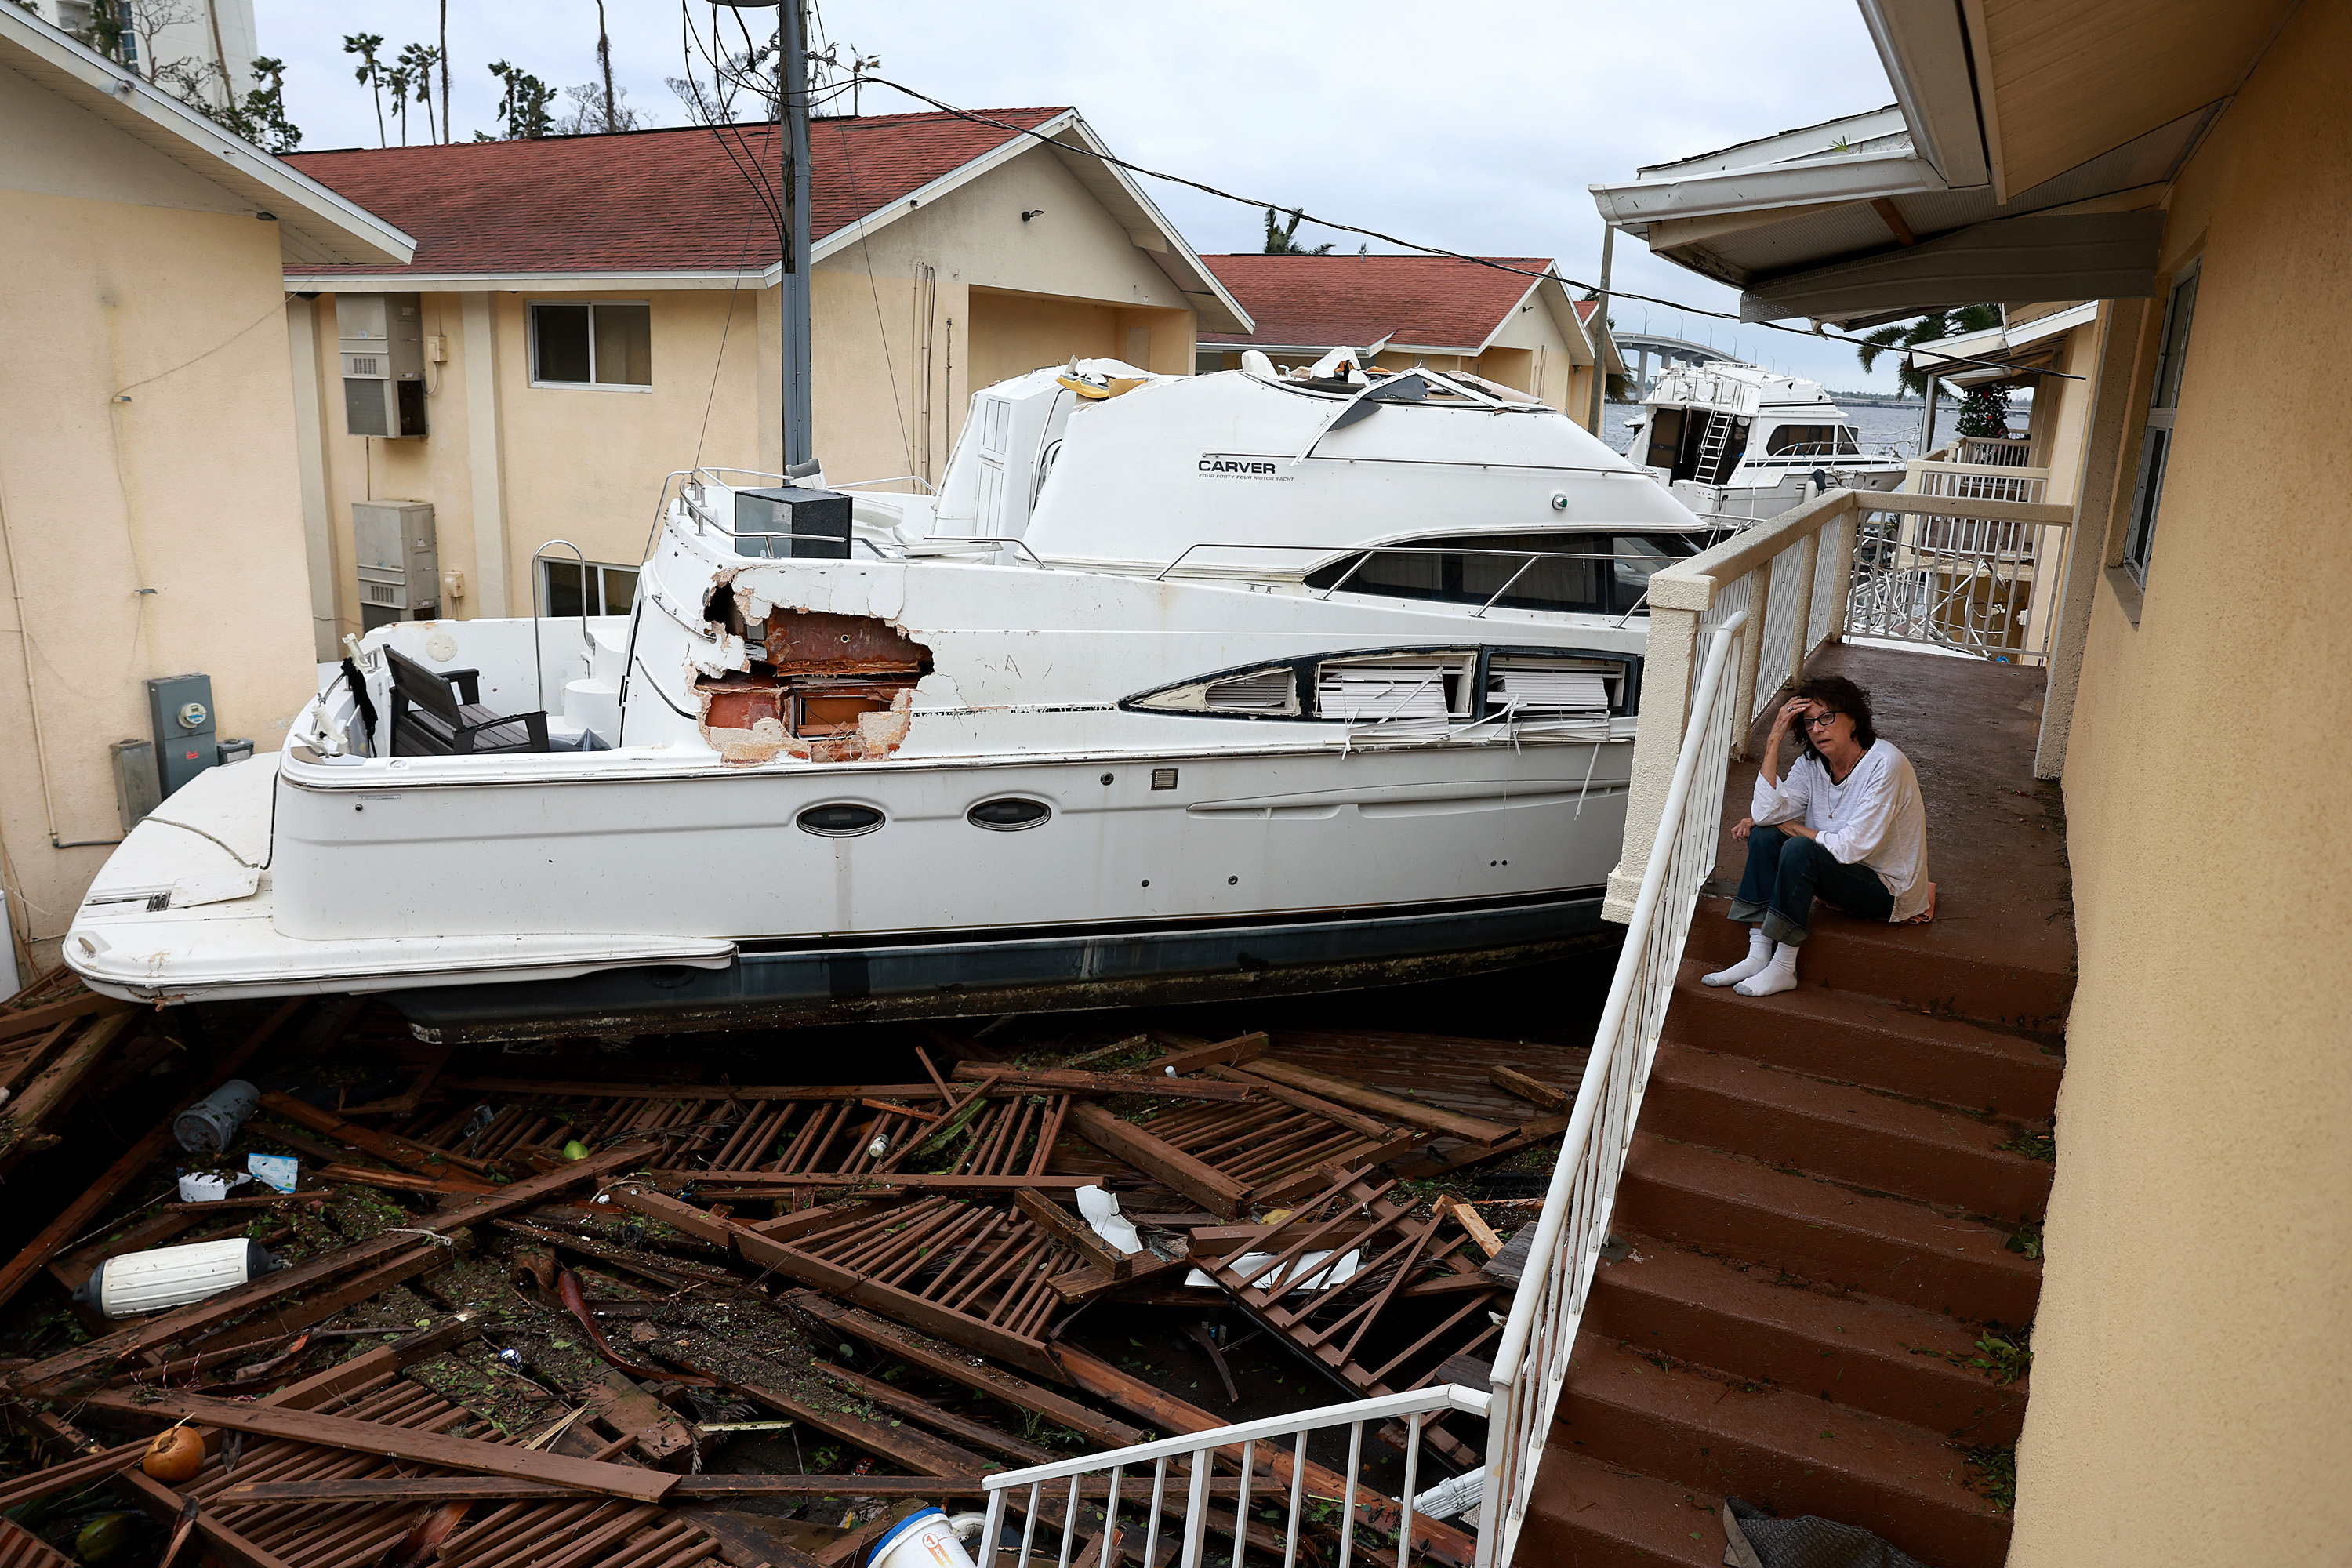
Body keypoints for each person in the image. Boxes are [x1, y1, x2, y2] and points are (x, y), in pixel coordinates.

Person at [1704, 673, 1932, 997]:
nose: (1817, 729)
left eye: (1827, 718)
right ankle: (1758, 954)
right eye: (1809, 723)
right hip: (1841, 873)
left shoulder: (1885, 764)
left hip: (1887, 889)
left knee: (1799, 848)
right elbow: (1768, 815)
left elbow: (1850, 848)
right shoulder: (1813, 763)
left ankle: (1784, 966)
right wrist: (1773, 740)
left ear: (1854, 717)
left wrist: (1795, 827)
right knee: (1766, 836)